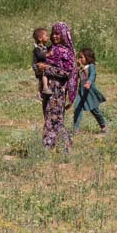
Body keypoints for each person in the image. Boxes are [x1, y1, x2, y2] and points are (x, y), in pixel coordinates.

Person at [35, 21, 78, 152]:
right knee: (49, 117)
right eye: (53, 33)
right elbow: (39, 65)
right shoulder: (48, 50)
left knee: (55, 119)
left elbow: (66, 73)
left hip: (58, 91)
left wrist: (47, 68)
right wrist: (39, 71)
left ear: (64, 35)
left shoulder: (66, 53)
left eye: (58, 33)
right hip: (46, 90)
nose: (54, 36)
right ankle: (52, 145)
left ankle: (58, 146)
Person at [73, 47, 108, 134]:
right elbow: (75, 76)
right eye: (79, 57)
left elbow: (92, 75)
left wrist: (89, 82)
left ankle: (103, 126)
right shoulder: (81, 68)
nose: (79, 59)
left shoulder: (91, 66)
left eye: (81, 57)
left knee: (95, 110)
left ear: (88, 58)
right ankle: (75, 129)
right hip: (81, 93)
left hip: (89, 93)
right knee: (77, 109)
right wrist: (76, 67)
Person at [31, 27, 52, 98]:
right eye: (46, 36)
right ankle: (45, 87)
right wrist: (48, 54)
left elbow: (48, 49)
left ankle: (39, 93)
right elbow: (40, 56)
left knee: (41, 80)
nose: (48, 37)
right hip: (37, 65)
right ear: (40, 38)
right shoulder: (37, 48)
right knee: (44, 74)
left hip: (41, 64)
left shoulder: (44, 47)